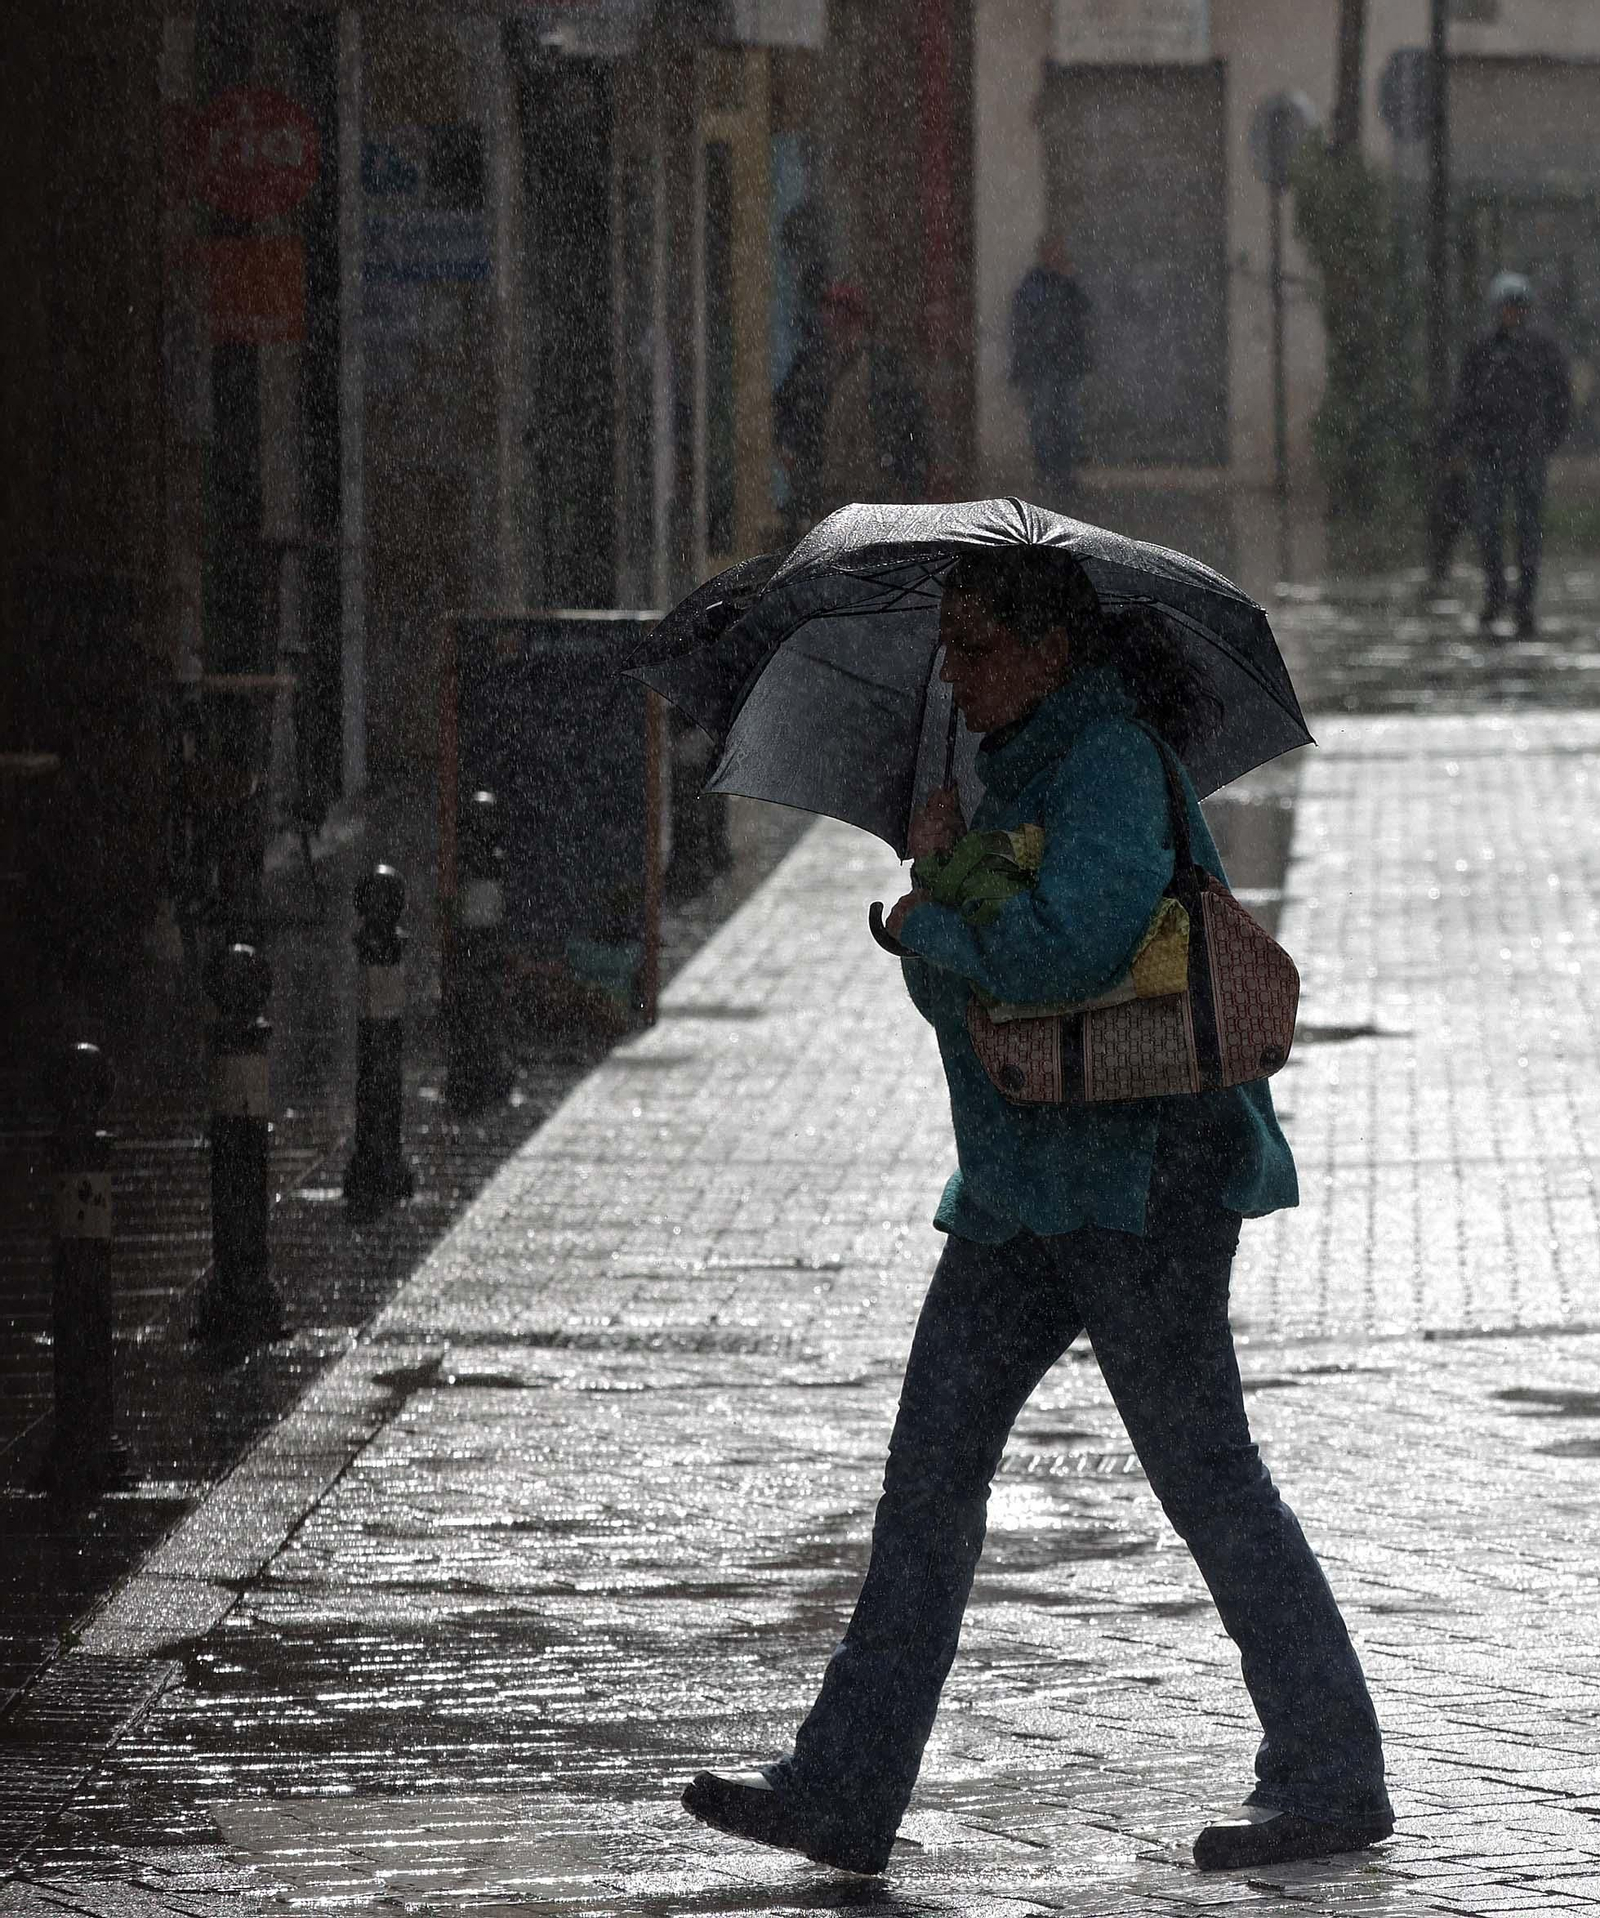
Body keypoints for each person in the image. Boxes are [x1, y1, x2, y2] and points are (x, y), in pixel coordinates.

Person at [682, 548, 1393, 1877]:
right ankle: (845, 1783)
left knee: (1209, 1477)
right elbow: (968, 1001)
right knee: (928, 1485)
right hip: (1018, 1193)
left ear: (1055, 648)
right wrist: (939, 894)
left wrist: (940, 919)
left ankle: (1331, 1770)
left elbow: (1067, 955)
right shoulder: (1005, 782)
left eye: (983, 642)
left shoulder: (1110, 769)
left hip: (1137, 1192)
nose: (959, 667)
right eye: (950, 642)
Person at [1446, 271, 1571, 635]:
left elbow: (1561, 398)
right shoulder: (1481, 351)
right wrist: (1459, 443)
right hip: (1489, 454)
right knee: (1487, 526)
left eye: (1518, 307)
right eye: (1507, 308)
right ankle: (1495, 591)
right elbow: (1464, 401)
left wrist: (1548, 440)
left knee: (1530, 529)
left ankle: (1525, 599)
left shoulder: (1543, 350)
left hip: (1529, 453)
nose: (1512, 314)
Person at [773, 281, 929, 534]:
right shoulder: (810, 369)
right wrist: (792, 455)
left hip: (873, 493)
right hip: (825, 495)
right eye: (831, 318)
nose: (835, 327)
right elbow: (783, 412)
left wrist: (903, 478)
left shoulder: (883, 370)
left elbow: (911, 425)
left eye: (844, 319)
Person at [1009, 236, 1093, 503]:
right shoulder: (1034, 285)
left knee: (1067, 419)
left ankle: (1064, 474)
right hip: (1042, 366)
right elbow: (1025, 323)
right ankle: (1048, 472)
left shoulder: (1068, 285)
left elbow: (1082, 314)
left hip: (1064, 366)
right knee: (1044, 419)